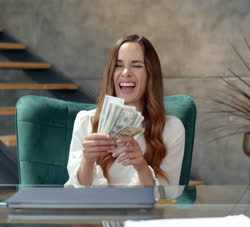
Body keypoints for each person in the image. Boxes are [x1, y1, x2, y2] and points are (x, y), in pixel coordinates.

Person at [65, 34, 185, 187]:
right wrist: (87, 162)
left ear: (150, 75)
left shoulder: (171, 129)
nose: (125, 72)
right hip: (96, 210)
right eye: (118, 65)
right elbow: (76, 192)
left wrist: (142, 167)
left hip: (144, 211)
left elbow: (168, 196)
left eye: (136, 65)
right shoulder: (86, 121)